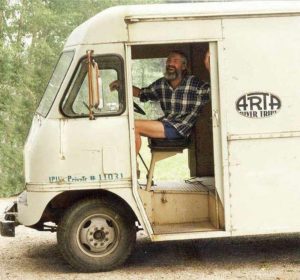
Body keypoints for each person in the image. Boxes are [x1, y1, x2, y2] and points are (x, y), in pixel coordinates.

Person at [110, 50, 210, 156]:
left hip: (180, 129)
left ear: (183, 66)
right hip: (166, 124)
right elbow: (141, 93)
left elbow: (213, 91)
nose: (170, 64)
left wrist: (209, 67)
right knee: (130, 125)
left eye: (175, 61)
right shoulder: (162, 83)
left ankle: (133, 169)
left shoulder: (195, 84)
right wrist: (122, 85)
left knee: (133, 125)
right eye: (168, 61)